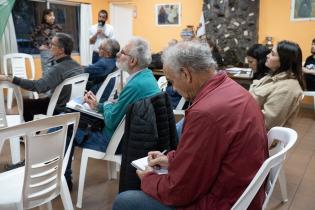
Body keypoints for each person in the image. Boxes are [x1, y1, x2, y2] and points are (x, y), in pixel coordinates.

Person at [113, 41, 268, 210]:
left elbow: (179, 192)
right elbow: (206, 156)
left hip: (222, 201)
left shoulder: (205, 113)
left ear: (186, 74)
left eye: (172, 81)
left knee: (125, 200)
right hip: (243, 192)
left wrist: (148, 179)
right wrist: (171, 159)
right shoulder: (233, 88)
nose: (173, 88)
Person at [65, 37, 161, 189]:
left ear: (133, 61)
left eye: (123, 52)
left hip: (114, 141)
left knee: (66, 130)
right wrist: (99, 105)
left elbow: (111, 120)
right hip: (130, 137)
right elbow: (116, 109)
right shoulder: (146, 76)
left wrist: (107, 106)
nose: (118, 54)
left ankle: (63, 180)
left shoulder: (135, 85)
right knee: (75, 122)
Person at [0, 33, 83, 122]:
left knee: (25, 103)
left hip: (58, 109)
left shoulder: (58, 68)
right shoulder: (77, 66)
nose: (49, 46)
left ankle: (33, 133)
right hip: (73, 107)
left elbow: (38, 87)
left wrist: (9, 78)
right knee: (40, 100)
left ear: (61, 50)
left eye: (52, 44)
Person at [250, 40, 304, 130]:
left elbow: (267, 123)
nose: (267, 56)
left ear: (283, 61)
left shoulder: (287, 88)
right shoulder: (274, 76)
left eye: (272, 54)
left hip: (256, 134)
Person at [31, 9, 62, 77]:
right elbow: (32, 37)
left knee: (57, 71)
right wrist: (38, 46)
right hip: (46, 51)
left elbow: (60, 38)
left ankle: (55, 87)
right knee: (47, 72)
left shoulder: (57, 27)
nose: (52, 17)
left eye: (53, 15)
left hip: (56, 51)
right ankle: (46, 87)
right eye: (50, 15)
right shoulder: (41, 27)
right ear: (45, 17)